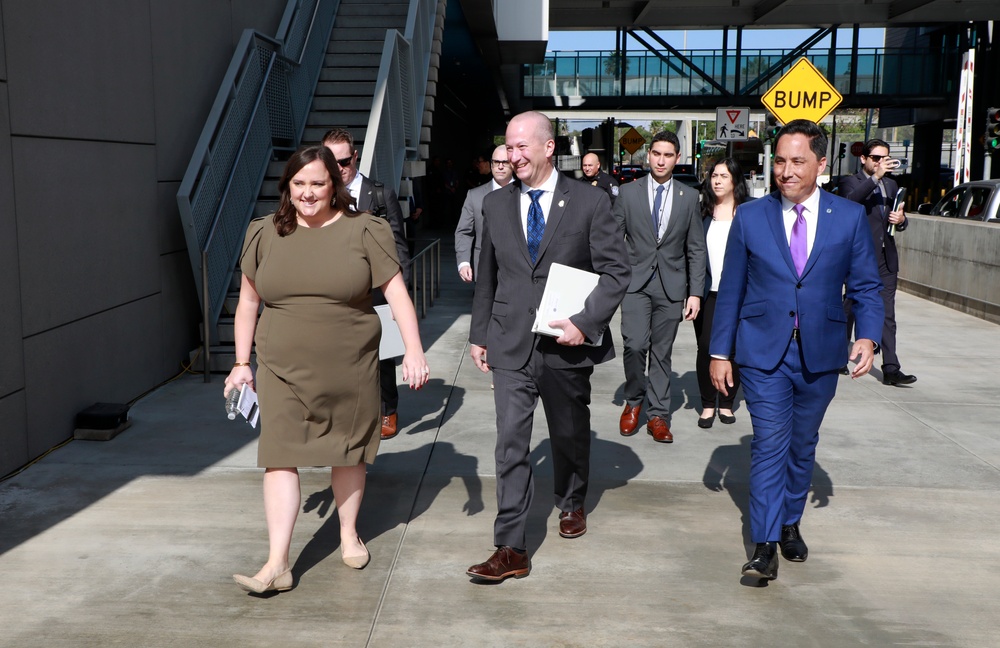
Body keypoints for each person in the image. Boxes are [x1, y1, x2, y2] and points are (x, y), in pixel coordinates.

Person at [226, 145, 428, 594]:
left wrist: (413, 349)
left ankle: (347, 533)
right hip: (279, 365)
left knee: (347, 449)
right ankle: (277, 561)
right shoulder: (263, 232)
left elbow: (396, 294)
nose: (308, 192)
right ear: (287, 187)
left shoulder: (365, 229)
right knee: (279, 455)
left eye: (318, 183)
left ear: (334, 184)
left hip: (349, 363)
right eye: (299, 184)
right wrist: (241, 364)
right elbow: (248, 303)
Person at [709, 120, 883, 581]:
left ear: (821, 165)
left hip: (822, 353)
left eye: (798, 161)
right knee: (769, 445)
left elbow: (866, 285)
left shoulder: (847, 217)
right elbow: (731, 290)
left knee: (802, 445)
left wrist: (867, 336)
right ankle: (764, 544)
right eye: (780, 161)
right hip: (762, 350)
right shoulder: (750, 216)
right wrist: (719, 351)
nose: (786, 171)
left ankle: (790, 522)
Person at [466, 111, 629, 582]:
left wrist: (585, 321)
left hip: (566, 343)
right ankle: (510, 547)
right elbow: (487, 278)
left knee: (568, 432)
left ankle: (572, 499)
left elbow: (617, 271)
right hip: (510, 341)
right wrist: (480, 335)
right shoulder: (495, 206)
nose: (513, 156)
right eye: (508, 148)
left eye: (521, 147)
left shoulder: (589, 202)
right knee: (510, 444)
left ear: (547, 147)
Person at [614, 130, 706, 443]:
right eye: (656, 154)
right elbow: (614, 240)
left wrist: (695, 291)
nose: (661, 160)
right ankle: (634, 400)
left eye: (668, 155)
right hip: (635, 284)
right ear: (648, 155)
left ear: (676, 158)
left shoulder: (689, 196)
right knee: (635, 345)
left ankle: (658, 416)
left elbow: (695, 247)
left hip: (672, 286)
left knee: (662, 353)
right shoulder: (628, 193)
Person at [322, 128, 411, 440]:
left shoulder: (379, 193)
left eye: (343, 162)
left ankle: (388, 410)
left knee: (382, 355)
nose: (338, 169)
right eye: (330, 162)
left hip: (375, 289)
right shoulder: (320, 194)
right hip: (334, 292)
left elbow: (399, 245)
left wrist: (402, 296)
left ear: (355, 156)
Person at [839, 139, 916, 386]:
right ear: (863, 159)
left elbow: (899, 222)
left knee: (887, 314)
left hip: (885, 257)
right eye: (876, 158)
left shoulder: (892, 185)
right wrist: (874, 179)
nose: (881, 163)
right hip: (859, 257)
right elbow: (849, 203)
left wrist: (901, 219)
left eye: (885, 158)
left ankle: (891, 368)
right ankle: (839, 355)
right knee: (851, 306)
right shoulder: (851, 182)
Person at [693, 158, 749, 429]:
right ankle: (707, 404)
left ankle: (726, 403)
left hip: (739, 295)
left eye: (724, 176)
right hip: (707, 294)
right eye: (714, 175)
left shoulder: (748, 214)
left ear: (735, 181)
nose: (717, 180)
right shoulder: (702, 214)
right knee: (706, 348)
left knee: (733, 351)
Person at [455, 145, 514, 282]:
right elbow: (463, 231)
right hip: (484, 270)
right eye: (496, 162)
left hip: (517, 273)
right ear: (491, 164)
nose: (500, 167)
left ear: (512, 164)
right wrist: (463, 263)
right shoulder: (474, 196)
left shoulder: (526, 193)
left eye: (504, 162)